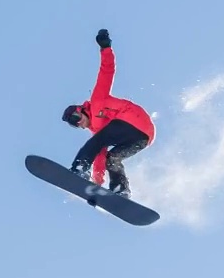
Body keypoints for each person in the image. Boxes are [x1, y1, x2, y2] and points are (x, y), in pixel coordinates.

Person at [61, 29, 156, 198]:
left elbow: (107, 71)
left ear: (82, 110)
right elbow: (99, 157)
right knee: (111, 158)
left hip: (133, 120)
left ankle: (80, 168)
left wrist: (105, 48)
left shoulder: (97, 100)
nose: (79, 123)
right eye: (74, 124)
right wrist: (96, 186)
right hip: (143, 138)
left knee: (96, 142)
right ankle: (121, 189)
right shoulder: (100, 133)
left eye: (76, 118)